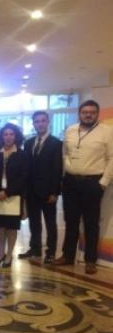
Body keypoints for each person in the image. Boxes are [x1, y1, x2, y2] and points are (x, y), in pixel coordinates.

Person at [54, 100, 113, 274]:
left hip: (92, 183)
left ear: (97, 114)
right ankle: (68, 256)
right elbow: (65, 154)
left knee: (91, 223)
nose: (88, 115)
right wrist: (65, 173)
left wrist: (103, 183)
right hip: (70, 182)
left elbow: (112, 158)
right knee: (70, 221)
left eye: (92, 112)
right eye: (85, 112)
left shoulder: (107, 131)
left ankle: (90, 260)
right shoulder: (70, 130)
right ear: (79, 114)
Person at [19, 111, 62, 264]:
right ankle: (35, 248)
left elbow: (57, 169)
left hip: (48, 192)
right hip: (31, 191)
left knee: (50, 223)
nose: (40, 124)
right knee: (34, 222)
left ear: (48, 122)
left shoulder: (56, 143)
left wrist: (55, 192)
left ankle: (50, 252)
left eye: (43, 121)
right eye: (37, 121)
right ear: (33, 124)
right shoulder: (29, 143)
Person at [0, 123, 28, 268]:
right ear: (1, 136)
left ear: (16, 136)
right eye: (6, 134)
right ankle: (0, 254)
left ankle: (9, 255)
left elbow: (24, 177)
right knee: (0, 227)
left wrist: (8, 192)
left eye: (11, 134)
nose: (8, 137)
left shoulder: (22, 154)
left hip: (14, 196)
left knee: (11, 227)